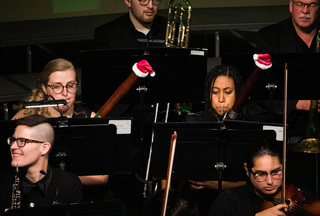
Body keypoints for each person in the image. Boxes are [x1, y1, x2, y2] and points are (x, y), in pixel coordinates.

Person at [11, 58, 108, 200]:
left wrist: (62, 183)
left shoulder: (91, 120)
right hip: (36, 195)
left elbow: (101, 177)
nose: (65, 93)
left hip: (81, 195)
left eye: (70, 85)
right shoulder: (26, 117)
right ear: (44, 88)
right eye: (57, 86)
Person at [0, 115, 83, 212]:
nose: (13, 146)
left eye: (22, 141)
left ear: (44, 148)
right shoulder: (2, 184)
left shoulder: (69, 184)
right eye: (13, 140)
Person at [208, 136, 288, 216]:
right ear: (247, 170)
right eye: (260, 174)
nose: (270, 181)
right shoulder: (227, 201)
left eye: (276, 172)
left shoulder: (292, 193)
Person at [94, 0, 167, 49]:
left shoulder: (172, 28)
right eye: (143, 0)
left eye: (155, 0)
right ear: (128, 1)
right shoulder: (106, 35)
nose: (151, 6)